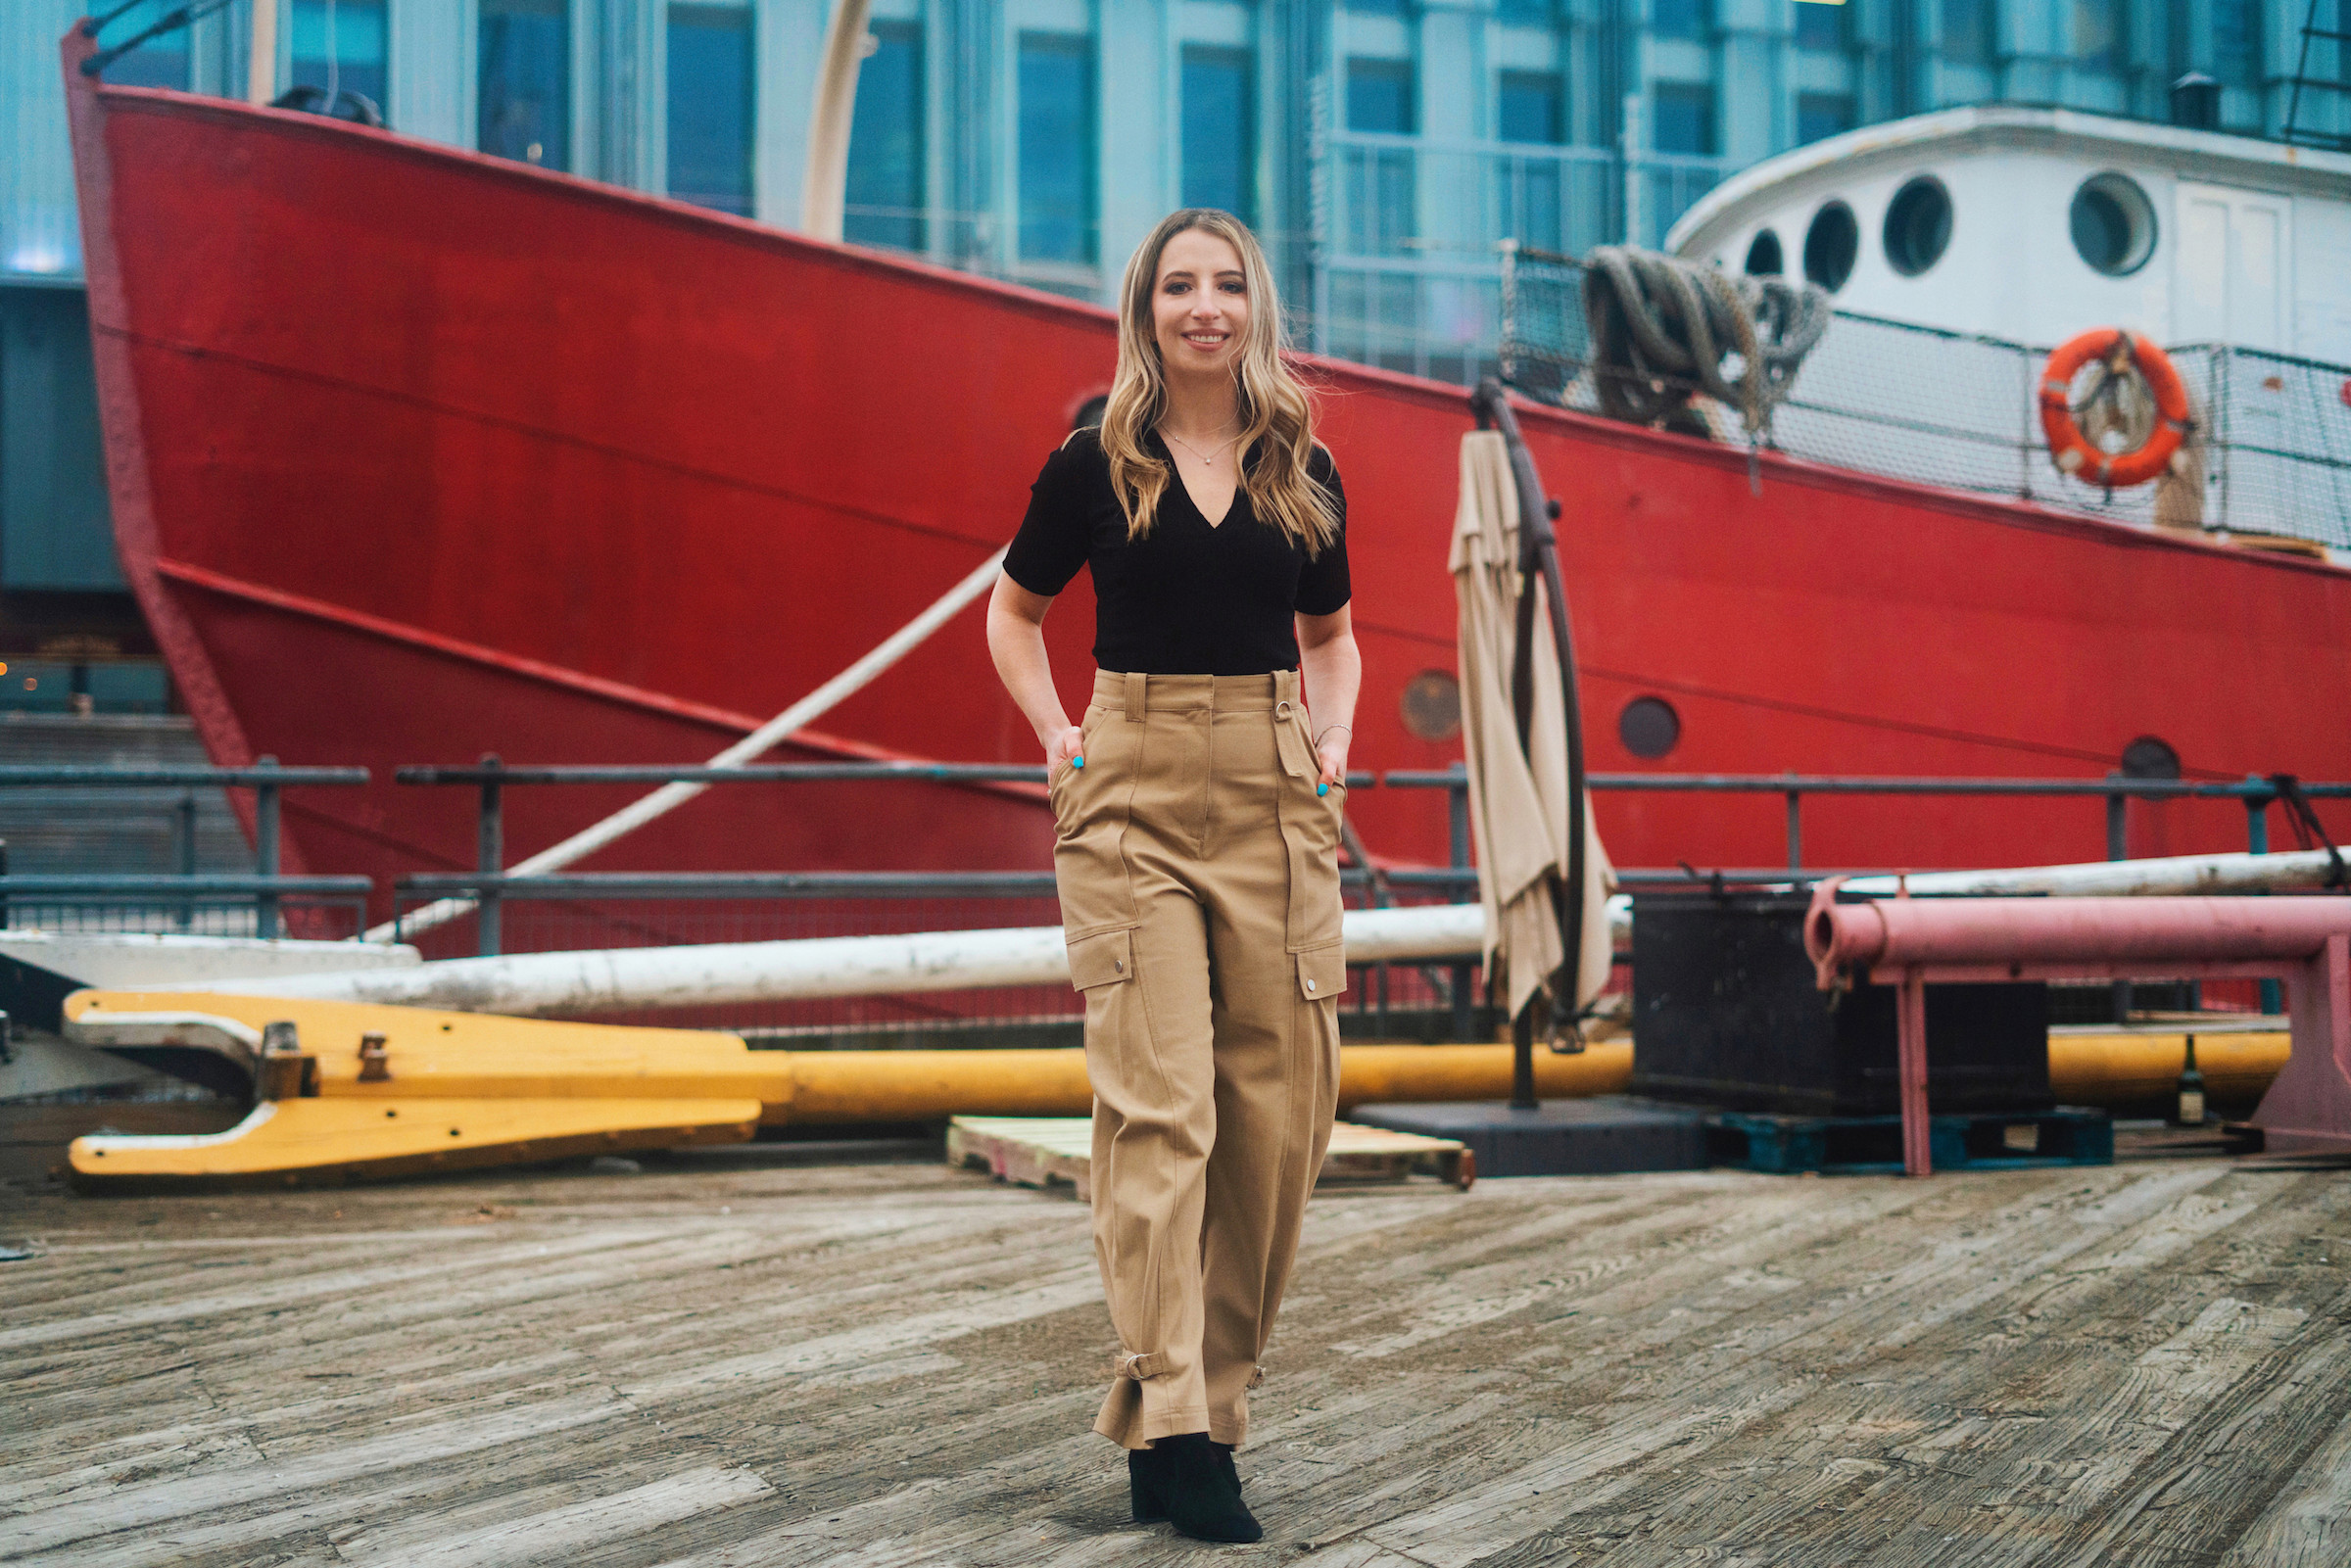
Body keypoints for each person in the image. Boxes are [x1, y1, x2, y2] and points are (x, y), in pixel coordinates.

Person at [985, 208, 1360, 1544]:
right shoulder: (1094, 465)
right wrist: (1059, 735)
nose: (1206, 306)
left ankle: (1199, 1401)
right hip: (1130, 786)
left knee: (1278, 1119)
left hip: (1273, 786)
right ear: (1146, 309)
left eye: (1229, 284)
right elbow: (1013, 614)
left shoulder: (1302, 466)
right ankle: (1183, 1421)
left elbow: (1334, 635)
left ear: (1258, 306)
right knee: (1163, 1112)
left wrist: (1333, 744)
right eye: (1180, 285)